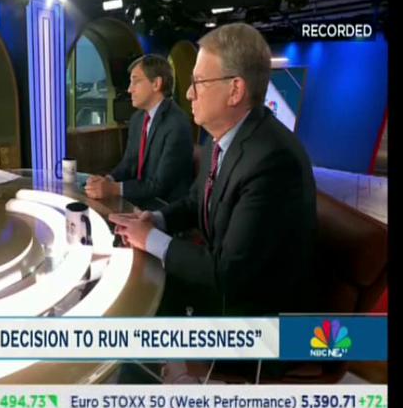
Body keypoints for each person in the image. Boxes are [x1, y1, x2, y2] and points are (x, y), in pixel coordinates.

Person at [109, 23, 317, 318]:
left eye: (198, 82)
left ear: (235, 90)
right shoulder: (220, 137)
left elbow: (227, 273)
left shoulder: (274, 161)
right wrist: (155, 219)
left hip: (253, 319)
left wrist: (150, 239)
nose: (189, 94)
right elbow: (196, 201)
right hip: (218, 288)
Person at [85, 54, 193, 205]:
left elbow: (160, 186)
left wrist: (113, 189)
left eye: (135, 81)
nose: (129, 89)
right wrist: (107, 180)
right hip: (139, 199)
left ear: (156, 84)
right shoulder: (138, 118)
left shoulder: (177, 124)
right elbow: (128, 164)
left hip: (165, 208)